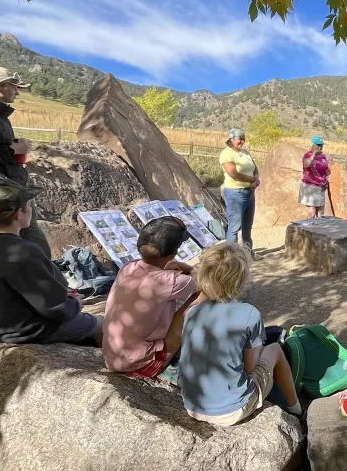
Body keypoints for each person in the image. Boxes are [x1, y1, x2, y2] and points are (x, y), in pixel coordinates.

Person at [180, 242, 302, 425]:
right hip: (231, 410)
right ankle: (297, 409)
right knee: (275, 349)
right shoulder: (249, 313)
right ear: (241, 279)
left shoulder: (191, 313)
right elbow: (250, 368)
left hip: (192, 405)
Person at [0, 179, 102, 345]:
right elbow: (55, 309)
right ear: (18, 213)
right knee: (102, 324)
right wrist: (74, 304)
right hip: (24, 330)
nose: (31, 209)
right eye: (29, 205)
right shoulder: (26, 251)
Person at [102, 217, 201, 377]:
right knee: (200, 297)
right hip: (139, 364)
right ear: (174, 253)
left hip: (112, 357)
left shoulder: (129, 267)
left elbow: (156, 277)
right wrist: (185, 267)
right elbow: (206, 283)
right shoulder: (170, 281)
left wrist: (172, 267)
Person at [0, 65, 52, 258]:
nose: (17, 91)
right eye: (13, 86)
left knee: (34, 248)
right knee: (4, 252)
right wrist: (11, 150)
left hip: (10, 190)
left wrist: (12, 148)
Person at [219, 128, 259, 249]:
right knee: (234, 227)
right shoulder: (226, 153)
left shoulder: (246, 152)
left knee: (247, 225)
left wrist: (256, 179)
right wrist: (252, 180)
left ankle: (247, 252)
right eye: (239, 139)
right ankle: (231, 257)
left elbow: (255, 169)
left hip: (250, 192)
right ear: (231, 139)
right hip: (235, 193)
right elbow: (233, 174)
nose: (242, 141)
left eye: (243, 139)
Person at [299, 135, 331, 219]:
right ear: (313, 145)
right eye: (318, 145)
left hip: (320, 187)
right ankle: (309, 228)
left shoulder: (323, 156)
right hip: (310, 186)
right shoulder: (307, 155)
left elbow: (326, 170)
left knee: (321, 213)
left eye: (321, 145)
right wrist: (314, 154)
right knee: (312, 211)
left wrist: (328, 171)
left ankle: (319, 230)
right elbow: (306, 164)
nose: (320, 147)